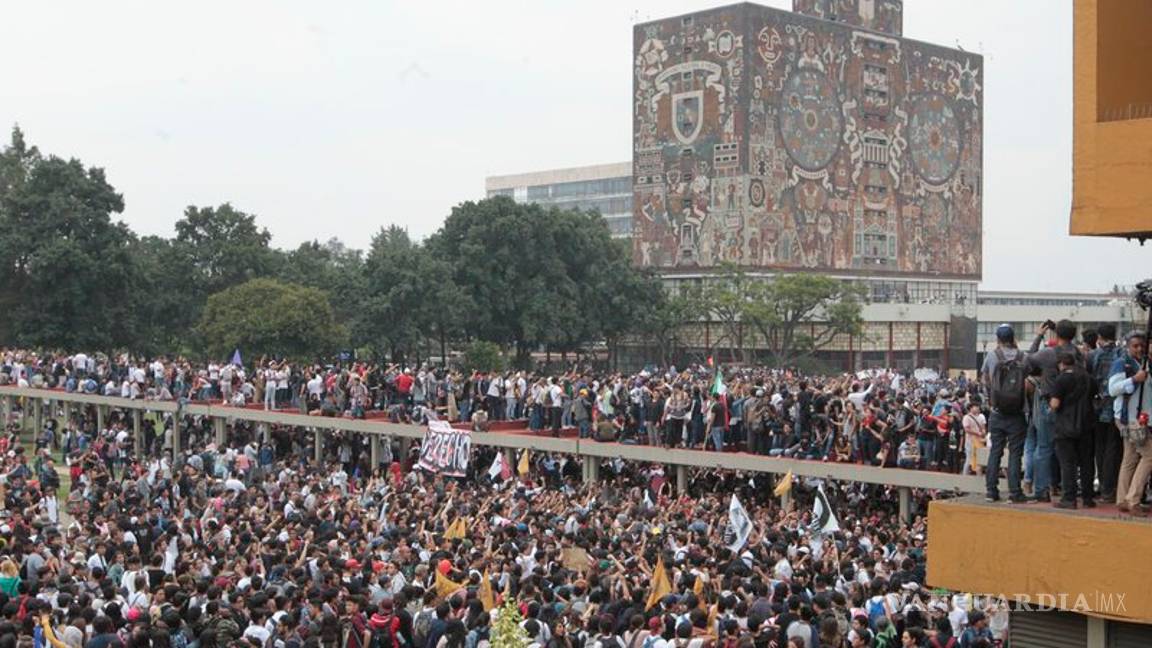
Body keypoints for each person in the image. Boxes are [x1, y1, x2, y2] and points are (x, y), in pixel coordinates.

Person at [1025, 319, 1085, 503]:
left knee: (1044, 448)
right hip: (1073, 407)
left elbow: (1027, 360)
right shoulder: (1079, 354)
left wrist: (1039, 336)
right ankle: (1065, 488)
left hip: (1049, 403)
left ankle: (1042, 490)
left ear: (1056, 334)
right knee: (1068, 452)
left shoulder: (1048, 353)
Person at [981, 324, 1029, 503]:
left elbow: (984, 378)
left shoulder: (992, 355)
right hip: (1017, 413)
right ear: (1013, 338)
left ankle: (991, 491)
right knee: (1016, 453)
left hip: (997, 411)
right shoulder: (1023, 357)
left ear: (998, 339)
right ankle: (1015, 492)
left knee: (996, 451)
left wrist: (991, 397)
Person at [1109, 330, 1152, 513]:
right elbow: (1113, 389)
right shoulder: (1122, 364)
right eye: (1135, 346)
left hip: (1138, 416)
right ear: (1127, 347)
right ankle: (1132, 499)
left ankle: (1123, 498)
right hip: (1131, 417)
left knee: (1130, 458)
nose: (1139, 349)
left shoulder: (1142, 363)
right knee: (1149, 456)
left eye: (1141, 346)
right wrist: (1134, 379)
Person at [1049, 351, 1096, 509]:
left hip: (1066, 425)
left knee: (1068, 463)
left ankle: (1069, 498)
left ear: (1061, 364)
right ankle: (1088, 498)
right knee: (1086, 462)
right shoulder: (1088, 378)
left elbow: (1055, 404)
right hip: (1087, 424)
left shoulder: (1061, 379)